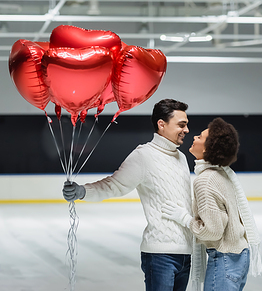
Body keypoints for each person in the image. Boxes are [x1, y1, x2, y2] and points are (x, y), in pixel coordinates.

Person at [62, 99, 193, 291]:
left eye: (187, 124)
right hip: (160, 255)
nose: (187, 130)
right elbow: (114, 185)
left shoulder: (181, 157)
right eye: (181, 125)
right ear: (161, 124)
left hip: (186, 254)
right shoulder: (143, 155)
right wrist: (83, 191)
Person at [162, 117, 262, 291]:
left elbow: (213, 231)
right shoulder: (221, 174)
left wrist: (185, 219)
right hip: (239, 256)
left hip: (225, 259)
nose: (194, 138)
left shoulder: (206, 180)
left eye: (200, 137)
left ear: (208, 148)